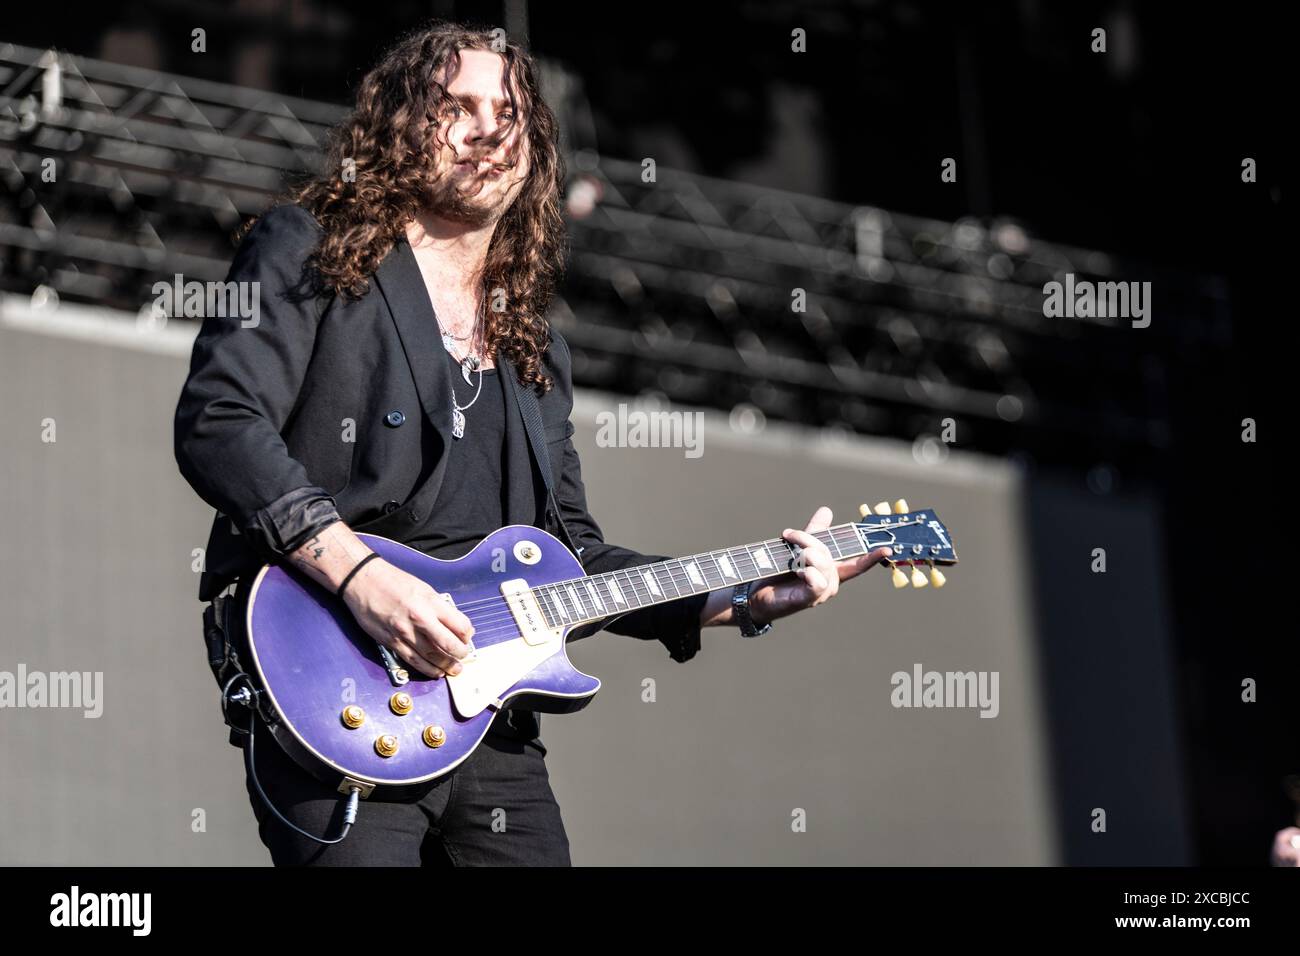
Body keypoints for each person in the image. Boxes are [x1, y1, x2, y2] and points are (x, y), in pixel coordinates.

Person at [173, 21, 889, 866]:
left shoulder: (532, 344)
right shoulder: (309, 247)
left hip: (486, 724)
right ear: (402, 126)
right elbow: (220, 421)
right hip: (336, 681)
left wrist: (745, 598)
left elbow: (572, 556)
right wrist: (364, 580)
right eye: (458, 108)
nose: (488, 130)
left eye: (509, 112)